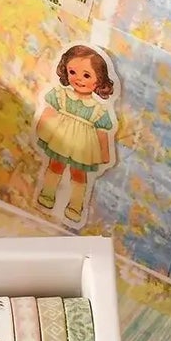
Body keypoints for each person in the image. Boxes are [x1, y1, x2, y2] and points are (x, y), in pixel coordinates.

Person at [34, 43, 117, 223]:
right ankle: (47, 194)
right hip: (60, 139)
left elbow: (103, 133)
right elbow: (48, 111)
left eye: (86, 75)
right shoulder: (61, 95)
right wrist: (40, 126)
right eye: (73, 72)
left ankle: (76, 205)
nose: (79, 79)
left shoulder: (98, 109)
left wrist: (105, 153)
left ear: (99, 79)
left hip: (83, 146)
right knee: (55, 165)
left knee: (78, 173)